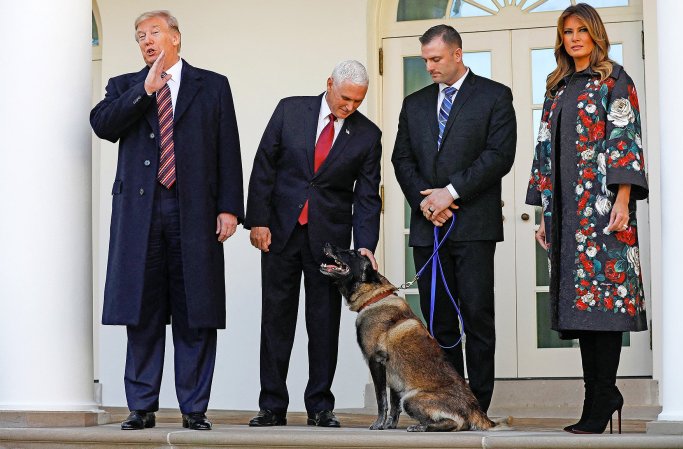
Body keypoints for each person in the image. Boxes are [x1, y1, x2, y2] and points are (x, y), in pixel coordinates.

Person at [90, 10, 244, 431]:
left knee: (197, 309)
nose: (146, 40)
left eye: (153, 32)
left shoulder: (212, 85)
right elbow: (102, 124)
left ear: (175, 36)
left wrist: (230, 208)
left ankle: (195, 409)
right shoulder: (125, 85)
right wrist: (144, 89)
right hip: (140, 214)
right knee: (142, 310)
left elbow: (227, 148)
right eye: (139, 36)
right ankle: (141, 405)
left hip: (193, 211)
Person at [526, 4, 648, 434]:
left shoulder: (614, 80)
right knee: (581, 312)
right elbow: (544, 149)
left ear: (596, 34)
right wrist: (544, 211)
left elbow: (624, 139)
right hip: (565, 214)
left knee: (605, 305)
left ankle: (603, 396)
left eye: (581, 30)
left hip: (603, 211)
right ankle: (596, 398)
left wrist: (623, 199)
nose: (574, 38)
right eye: (567, 31)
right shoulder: (556, 87)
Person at [245, 60, 382, 428]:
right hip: (279, 233)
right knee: (276, 320)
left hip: (329, 243)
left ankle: (320, 405)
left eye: (358, 101)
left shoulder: (368, 135)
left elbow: (368, 196)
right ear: (329, 84)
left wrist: (365, 244)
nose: (349, 107)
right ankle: (272, 405)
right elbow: (264, 166)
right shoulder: (291, 109)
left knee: (323, 323)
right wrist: (257, 220)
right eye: (345, 98)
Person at [391, 24, 517, 413]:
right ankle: (450, 402)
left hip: (474, 227)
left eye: (436, 58)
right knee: (438, 323)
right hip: (429, 228)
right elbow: (402, 159)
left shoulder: (494, 96)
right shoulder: (414, 104)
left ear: (457, 54)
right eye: (425, 59)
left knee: (477, 317)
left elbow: (499, 155)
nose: (429, 66)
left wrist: (452, 192)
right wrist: (428, 202)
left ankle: (477, 406)